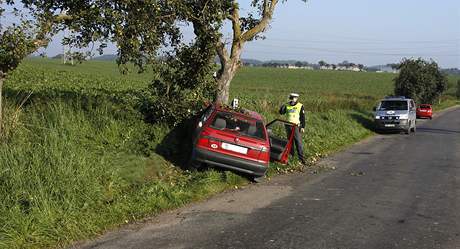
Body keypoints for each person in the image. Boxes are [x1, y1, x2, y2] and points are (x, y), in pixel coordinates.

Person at [279, 93, 306, 165]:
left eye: (294, 98)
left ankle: (302, 159)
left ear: (296, 98)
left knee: (298, 142)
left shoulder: (300, 106)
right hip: (288, 126)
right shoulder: (287, 105)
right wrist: (283, 106)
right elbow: (281, 112)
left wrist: (303, 127)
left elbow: (302, 117)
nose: (293, 99)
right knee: (290, 142)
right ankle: (291, 157)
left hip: (296, 126)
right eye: (291, 97)